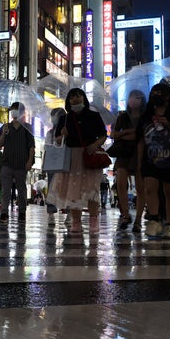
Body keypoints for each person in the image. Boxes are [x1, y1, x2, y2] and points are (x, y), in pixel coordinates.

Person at [137, 83, 170, 240]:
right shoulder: (145, 117)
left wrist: (169, 124)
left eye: (160, 94)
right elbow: (140, 140)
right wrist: (139, 162)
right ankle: (154, 220)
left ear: (168, 97)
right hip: (150, 160)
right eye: (154, 93)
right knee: (150, 189)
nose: (156, 97)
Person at [50, 88, 108, 234]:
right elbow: (57, 140)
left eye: (78, 96)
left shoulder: (94, 116)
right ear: (68, 101)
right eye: (72, 97)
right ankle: (76, 222)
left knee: (92, 190)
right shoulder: (65, 119)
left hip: (90, 155)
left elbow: (103, 135)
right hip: (71, 156)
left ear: (83, 98)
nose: (75, 99)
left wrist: (95, 145)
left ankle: (94, 221)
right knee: (73, 191)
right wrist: (62, 135)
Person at [110, 89, 146, 232]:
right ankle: (125, 214)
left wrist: (124, 134)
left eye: (137, 97)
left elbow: (142, 136)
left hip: (140, 153)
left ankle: (138, 219)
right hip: (123, 153)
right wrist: (128, 133)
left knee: (140, 187)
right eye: (131, 97)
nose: (133, 100)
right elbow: (114, 134)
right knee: (120, 183)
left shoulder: (145, 117)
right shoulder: (122, 116)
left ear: (142, 100)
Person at [0, 102, 35, 223]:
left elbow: (31, 147)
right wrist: (4, 132)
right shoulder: (5, 127)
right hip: (7, 163)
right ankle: (4, 212)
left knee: (21, 189)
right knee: (6, 190)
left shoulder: (27, 128)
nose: (13, 112)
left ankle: (22, 212)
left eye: (16, 110)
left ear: (22, 112)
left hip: (21, 164)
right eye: (12, 110)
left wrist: (29, 161)